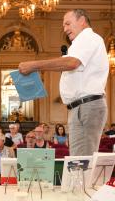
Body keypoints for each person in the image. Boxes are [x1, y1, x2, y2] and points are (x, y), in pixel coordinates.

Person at [19, 9, 109, 156]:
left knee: (82, 162)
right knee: (78, 160)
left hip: (86, 106)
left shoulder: (89, 37)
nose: (65, 29)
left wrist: (33, 65)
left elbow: (72, 63)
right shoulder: (79, 43)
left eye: (68, 23)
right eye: (63, 25)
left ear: (82, 21)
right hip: (80, 107)